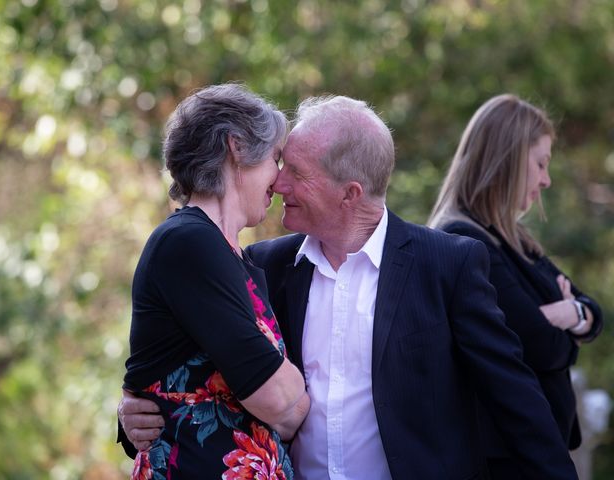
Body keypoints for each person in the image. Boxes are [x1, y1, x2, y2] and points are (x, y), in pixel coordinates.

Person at [119, 95, 579, 479]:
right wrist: (130, 415)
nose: (278, 182)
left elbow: (515, 400)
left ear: (350, 193)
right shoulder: (264, 265)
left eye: (295, 171)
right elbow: (188, 367)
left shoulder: (447, 265)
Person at [121, 83, 310, 479]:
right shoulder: (188, 242)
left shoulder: (233, 256)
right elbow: (280, 401)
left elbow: (291, 414)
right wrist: (288, 385)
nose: (278, 180)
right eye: (276, 158)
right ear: (236, 147)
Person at [428, 93, 603, 479]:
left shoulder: (511, 238)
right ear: (506, 158)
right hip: (504, 459)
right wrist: (570, 323)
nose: (546, 179)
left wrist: (571, 311)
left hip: (530, 453)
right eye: (541, 164)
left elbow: (595, 312)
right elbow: (541, 346)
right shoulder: (465, 241)